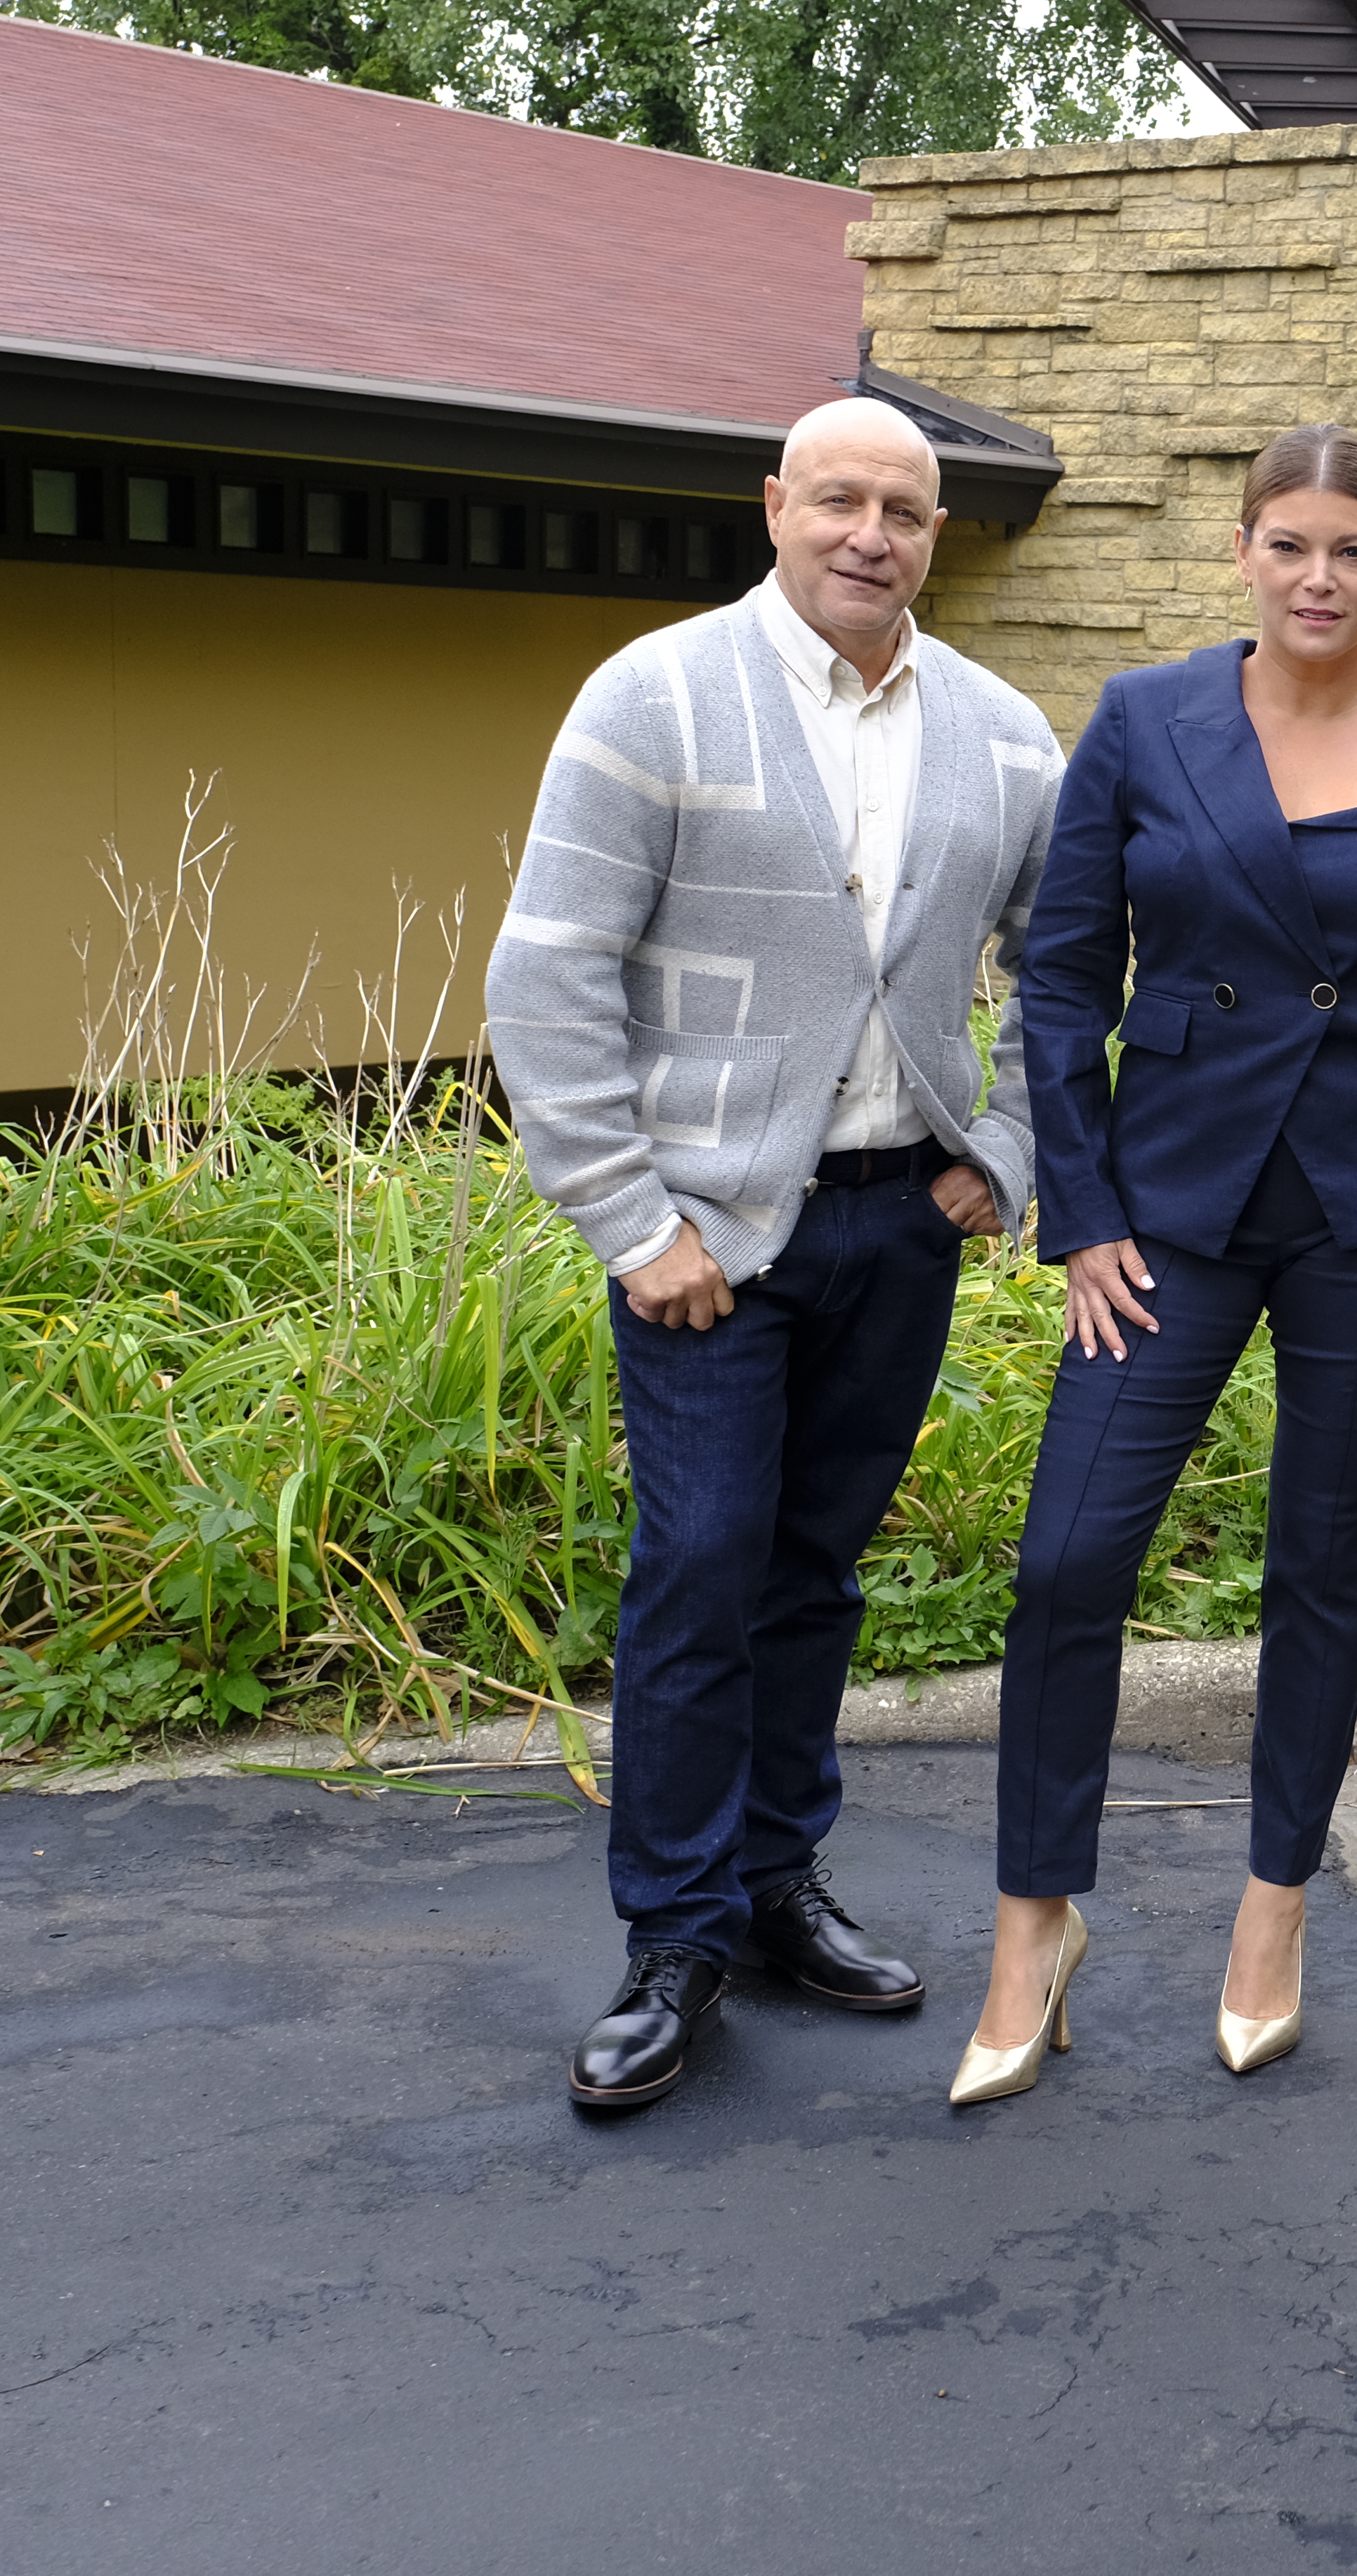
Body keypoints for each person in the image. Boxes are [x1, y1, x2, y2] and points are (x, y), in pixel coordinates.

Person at [487, 396, 1065, 2116]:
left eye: (902, 505)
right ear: (774, 504)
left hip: (904, 1218)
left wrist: (1012, 1153)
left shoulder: (1008, 734)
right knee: (705, 1561)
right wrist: (626, 1216)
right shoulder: (652, 695)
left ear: (937, 530)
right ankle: (674, 1936)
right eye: (837, 499)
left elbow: (1068, 967)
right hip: (708, 1238)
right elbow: (550, 975)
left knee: (816, 1563)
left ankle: (773, 1881)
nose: (868, 531)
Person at [955, 429, 1357, 2103]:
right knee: (1069, 1558)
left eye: (1353, 548)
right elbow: (1059, 977)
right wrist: (1085, 1208)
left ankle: (1272, 1912)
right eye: (1291, 543)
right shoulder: (1147, 721)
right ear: (1243, 550)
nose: (1320, 576)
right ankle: (1032, 1923)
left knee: (1318, 1564)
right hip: (1170, 1208)